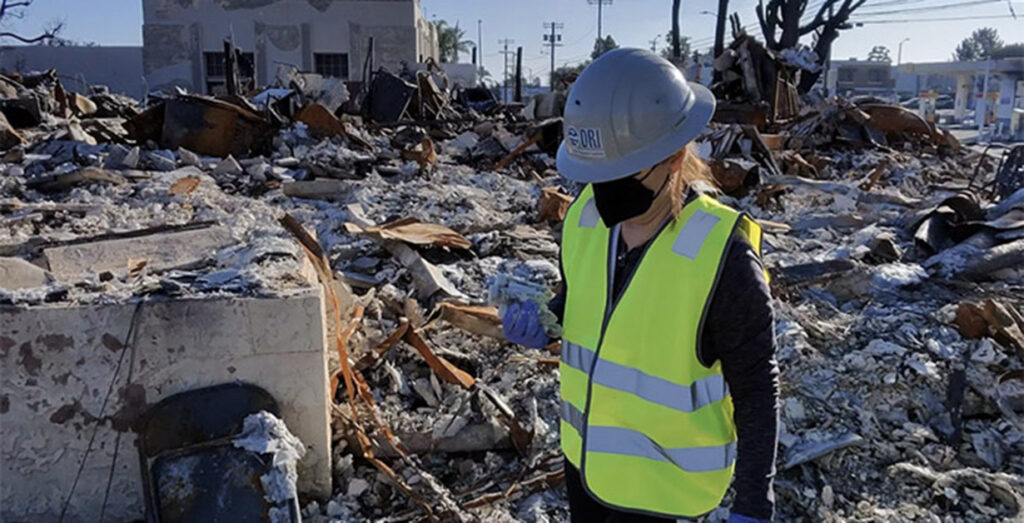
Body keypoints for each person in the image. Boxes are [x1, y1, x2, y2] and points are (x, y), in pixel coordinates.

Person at [502, 48, 779, 522]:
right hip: (587, 471)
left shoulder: (722, 257)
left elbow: (756, 389)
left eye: (618, 173)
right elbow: (588, 308)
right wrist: (550, 318)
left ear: (673, 157)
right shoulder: (584, 221)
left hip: (665, 493)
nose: (601, 188)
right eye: (594, 174)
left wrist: (755, 502)